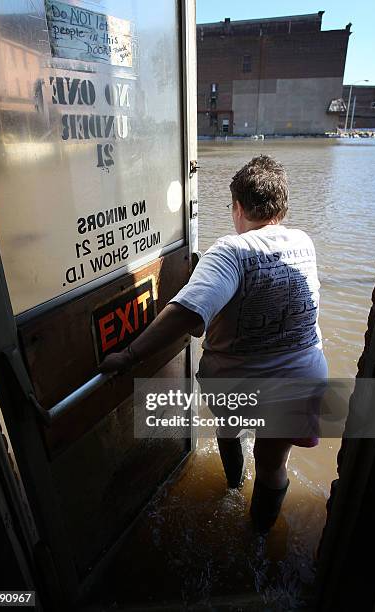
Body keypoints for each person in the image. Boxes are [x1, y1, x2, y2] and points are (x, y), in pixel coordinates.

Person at [100, 154, 328, 534]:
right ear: (282, 206)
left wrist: (129, 354)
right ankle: (257, 542)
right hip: (302, 378)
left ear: (238, 207)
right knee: (273, 465)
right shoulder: (303, 242)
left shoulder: (230, 251)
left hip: (240, 383)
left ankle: (234, 488)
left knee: (229, 429)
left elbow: (188, 313)